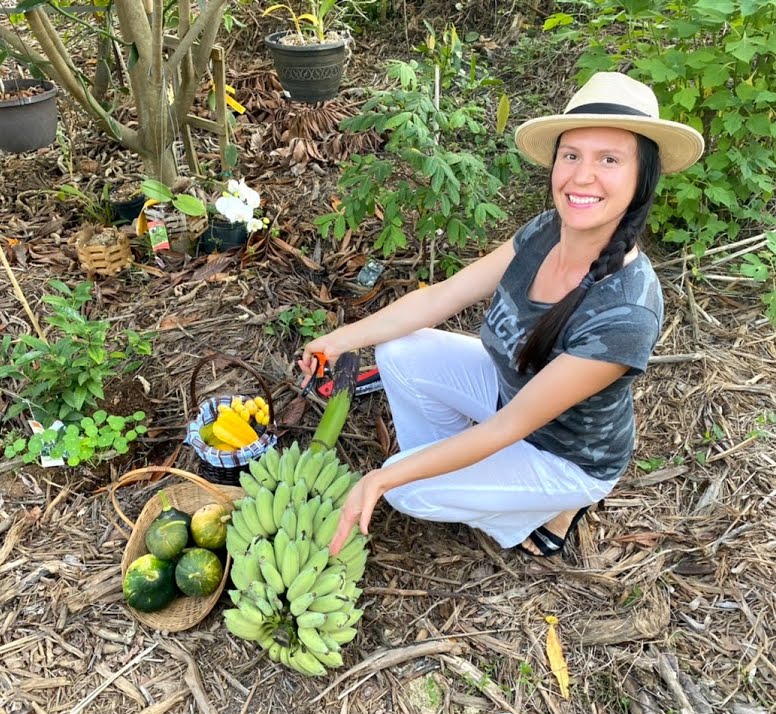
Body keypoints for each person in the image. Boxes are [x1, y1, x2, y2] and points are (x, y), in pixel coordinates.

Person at [299, 72, 704, 558]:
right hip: (507, 392)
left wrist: (385, 477)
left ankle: (556, 505)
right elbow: (440, 297)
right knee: (401, 349)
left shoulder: (625, 312)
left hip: (563, 454)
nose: (581, 176)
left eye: (610, 160)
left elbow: (506, 428)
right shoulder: (546, 230)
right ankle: (457, 473)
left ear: (642, 178)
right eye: (571, 155)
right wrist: (341, 338)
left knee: (405, 492)